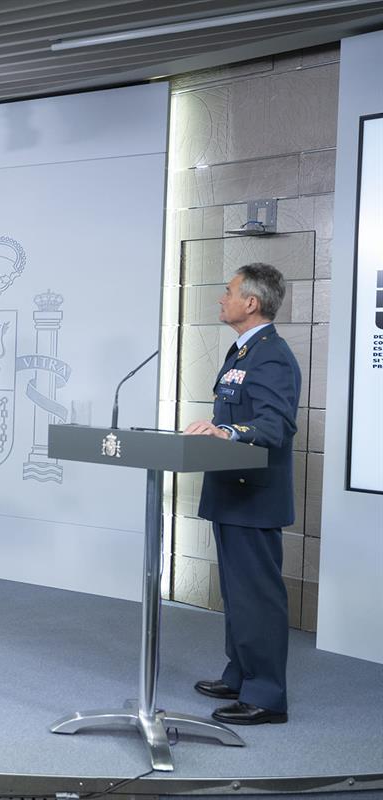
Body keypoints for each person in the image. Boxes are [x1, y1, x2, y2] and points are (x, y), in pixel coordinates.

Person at [184, 262, 300, 726]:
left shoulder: (271, 354)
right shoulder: (242, 352)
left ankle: (267, 695)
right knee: (237, 593)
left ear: (250, 302)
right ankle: (241, 674)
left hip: (255, 495)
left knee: (258, 595)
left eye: (227, 291)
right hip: (232, 492)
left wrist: (226, 430)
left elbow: (276, 424)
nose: (221, 298)